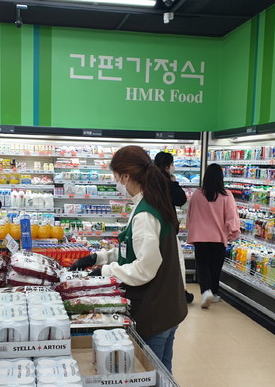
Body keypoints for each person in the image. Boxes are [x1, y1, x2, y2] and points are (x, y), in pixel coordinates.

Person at [70, 146, 188, 372]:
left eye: (116, 177)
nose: (116, 183)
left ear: (126, 176)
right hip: (169, 306)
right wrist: (98, 257)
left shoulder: (145, 214)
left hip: (156, 310)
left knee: (154, 377)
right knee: (164, 374)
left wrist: (105, 272)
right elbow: (135, 248)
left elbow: (144, 269)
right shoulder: (152, 203)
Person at [186, 163, 240, 308]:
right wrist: (233, 232)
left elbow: (191, 214)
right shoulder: (226, 195)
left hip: (200, 236)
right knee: (215, 266)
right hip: (218, 237)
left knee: (202, 265)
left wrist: (190, 229)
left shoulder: (197, 194)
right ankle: (214, 293)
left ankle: (206, 291)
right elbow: (231, 216)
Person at [154, 151, 193, 304]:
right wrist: (174, 182)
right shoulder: (166, 181)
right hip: (167, 227)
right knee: (175, 262)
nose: (173, 167)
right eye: (171, 165)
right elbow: (180, 199)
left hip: (155, 226)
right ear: (167, 166)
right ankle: (180, 292)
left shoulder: (150, 180)